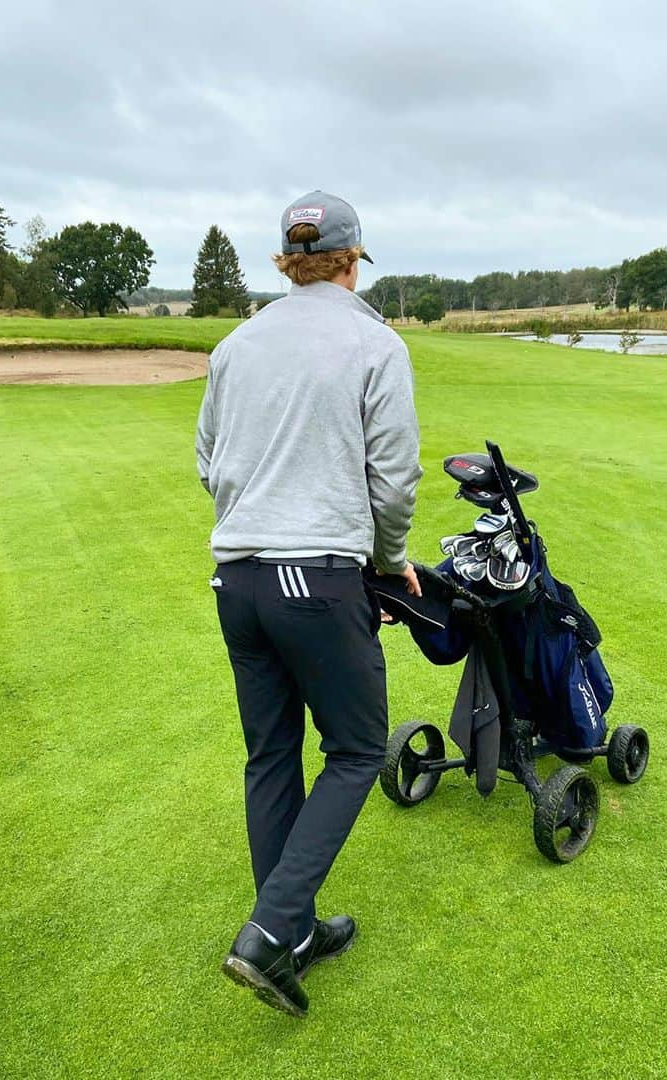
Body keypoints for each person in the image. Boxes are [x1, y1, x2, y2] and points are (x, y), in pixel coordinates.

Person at [195, 190, 423, 1018]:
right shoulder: (373, 342)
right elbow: (393, 479)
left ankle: (289, 931)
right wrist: (389, 563)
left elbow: (208, 459)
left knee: (269, 755)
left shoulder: (237, 344)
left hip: (238, 579)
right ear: (354, 259)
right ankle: (268, 932)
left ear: (287, 262)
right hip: (316, 579)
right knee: (360, 749)